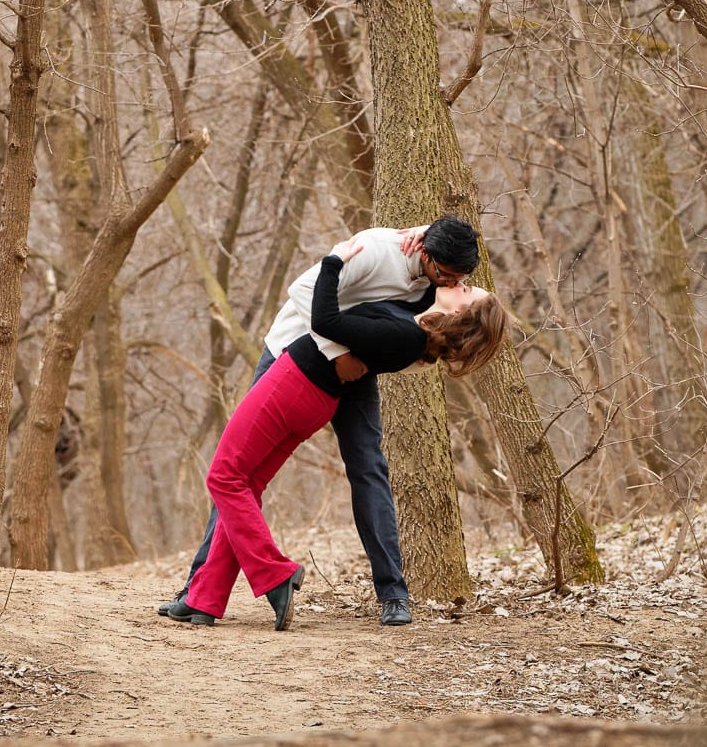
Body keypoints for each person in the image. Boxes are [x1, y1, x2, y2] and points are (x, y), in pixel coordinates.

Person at [162, 235, 506, 630]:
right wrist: (428, 231)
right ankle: (205, 598)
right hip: (312, 389)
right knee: (248, 481)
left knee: (224, 476)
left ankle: (277, 574)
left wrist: (334, 260)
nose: (455, 284)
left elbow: (326, 320)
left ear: (462, 314)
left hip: (293, 380)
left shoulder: (408, 335)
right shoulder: (417, 323)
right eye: (457, 278)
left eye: (465, 288)